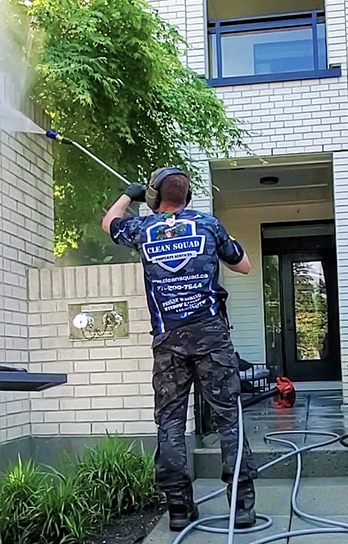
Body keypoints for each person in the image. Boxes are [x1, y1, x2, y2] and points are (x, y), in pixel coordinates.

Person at [101, 168, 258, 532]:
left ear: (156, 197)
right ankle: (243, 507)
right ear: (188, 196)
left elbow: (110, 222)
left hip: (169, 340)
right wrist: (218, 236)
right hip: (211, 338)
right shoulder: (208, 225)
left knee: (171, 422)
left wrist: (129, 195)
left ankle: (178, 510)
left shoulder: (143, 230)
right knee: (228, 419)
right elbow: (245, 265)